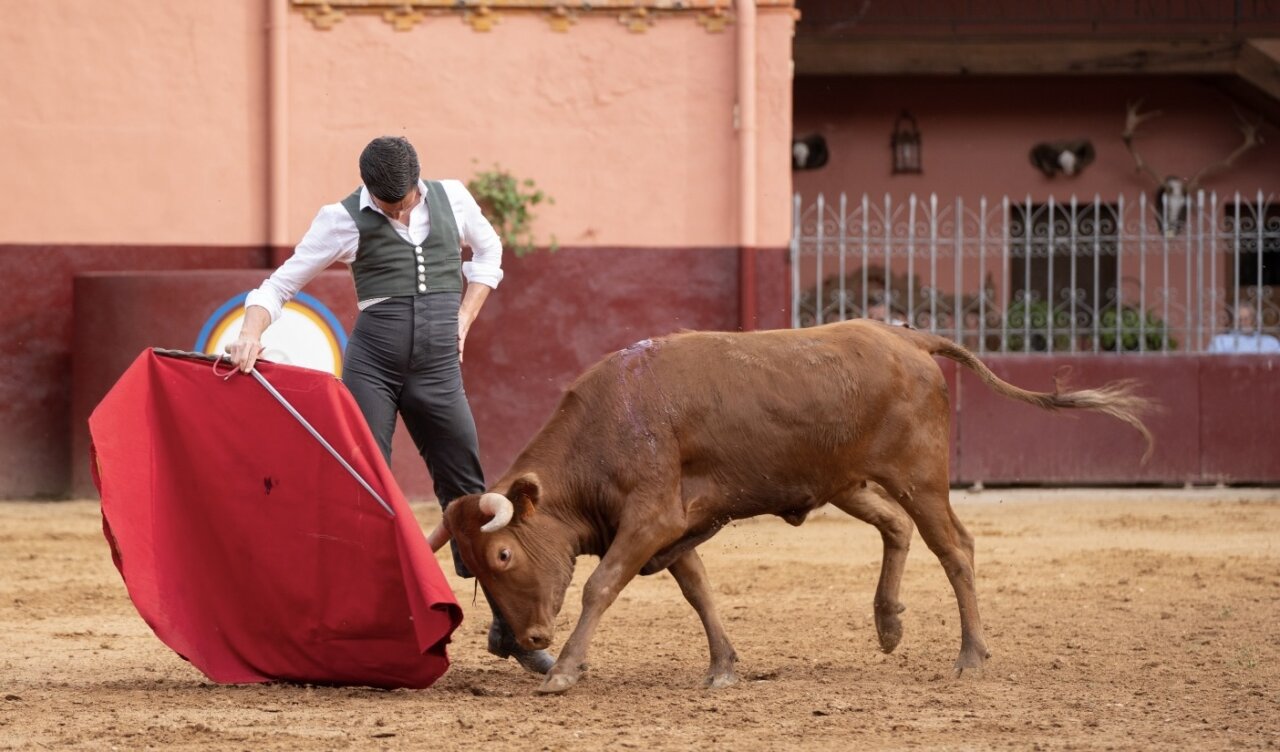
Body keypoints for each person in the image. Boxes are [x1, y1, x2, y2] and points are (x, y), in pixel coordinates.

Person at [226, 136, 554, 674]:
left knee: (469, 491)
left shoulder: (453, 198)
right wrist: (248, 333)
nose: (397, 212)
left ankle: (509, 626)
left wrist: (464, 318)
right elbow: (278, 287)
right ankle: (369, 630)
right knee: (364, 487)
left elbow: (489, 254)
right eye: (385, 205)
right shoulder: (341, 218)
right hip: (372, 369)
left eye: (403, 202)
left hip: (438, 369)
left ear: (417, 183)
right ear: (369, 192)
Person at [1207, 302, 1280, 354]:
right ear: (1234, 320)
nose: (1244, 322)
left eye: (1247, 318)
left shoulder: (1270, 342)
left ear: (1254, 320)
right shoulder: (1221, 341)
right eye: (1240, 319)